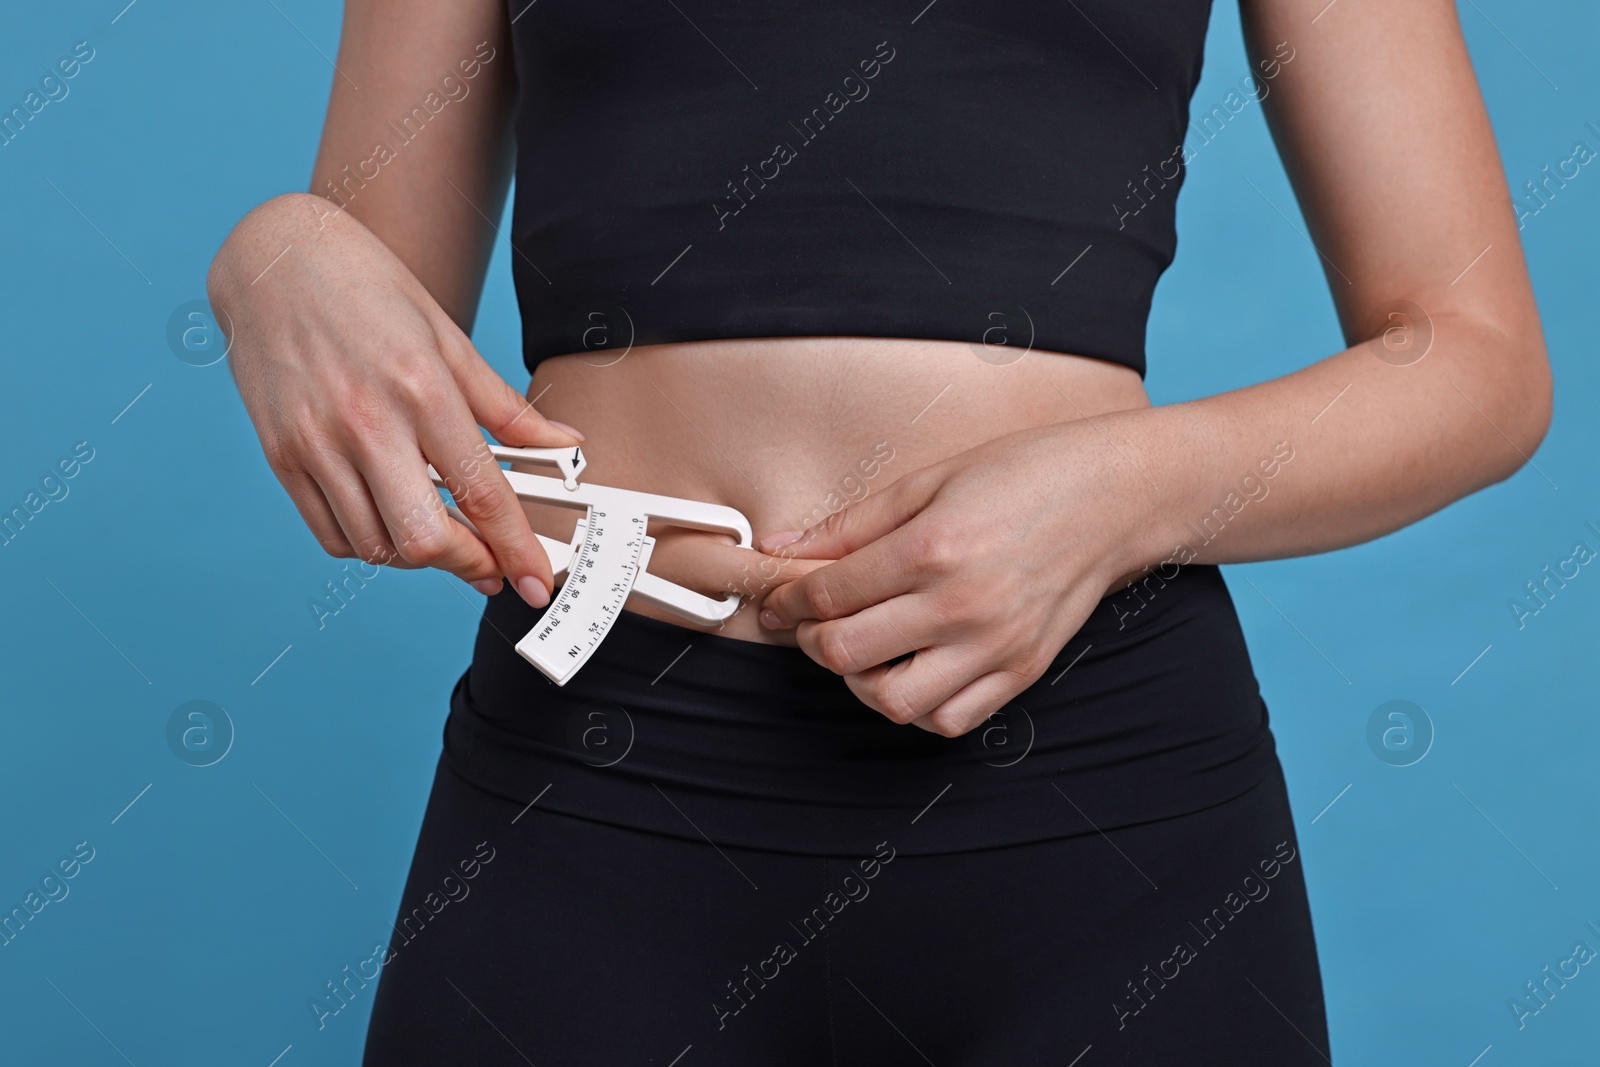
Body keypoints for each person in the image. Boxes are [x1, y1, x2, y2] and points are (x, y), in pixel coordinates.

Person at [206, 1, 1550, 1062]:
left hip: (1095, 789)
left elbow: (1475, 359)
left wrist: (1120, 493)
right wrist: (272, 252)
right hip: (596, 761)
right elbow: (379, 322)